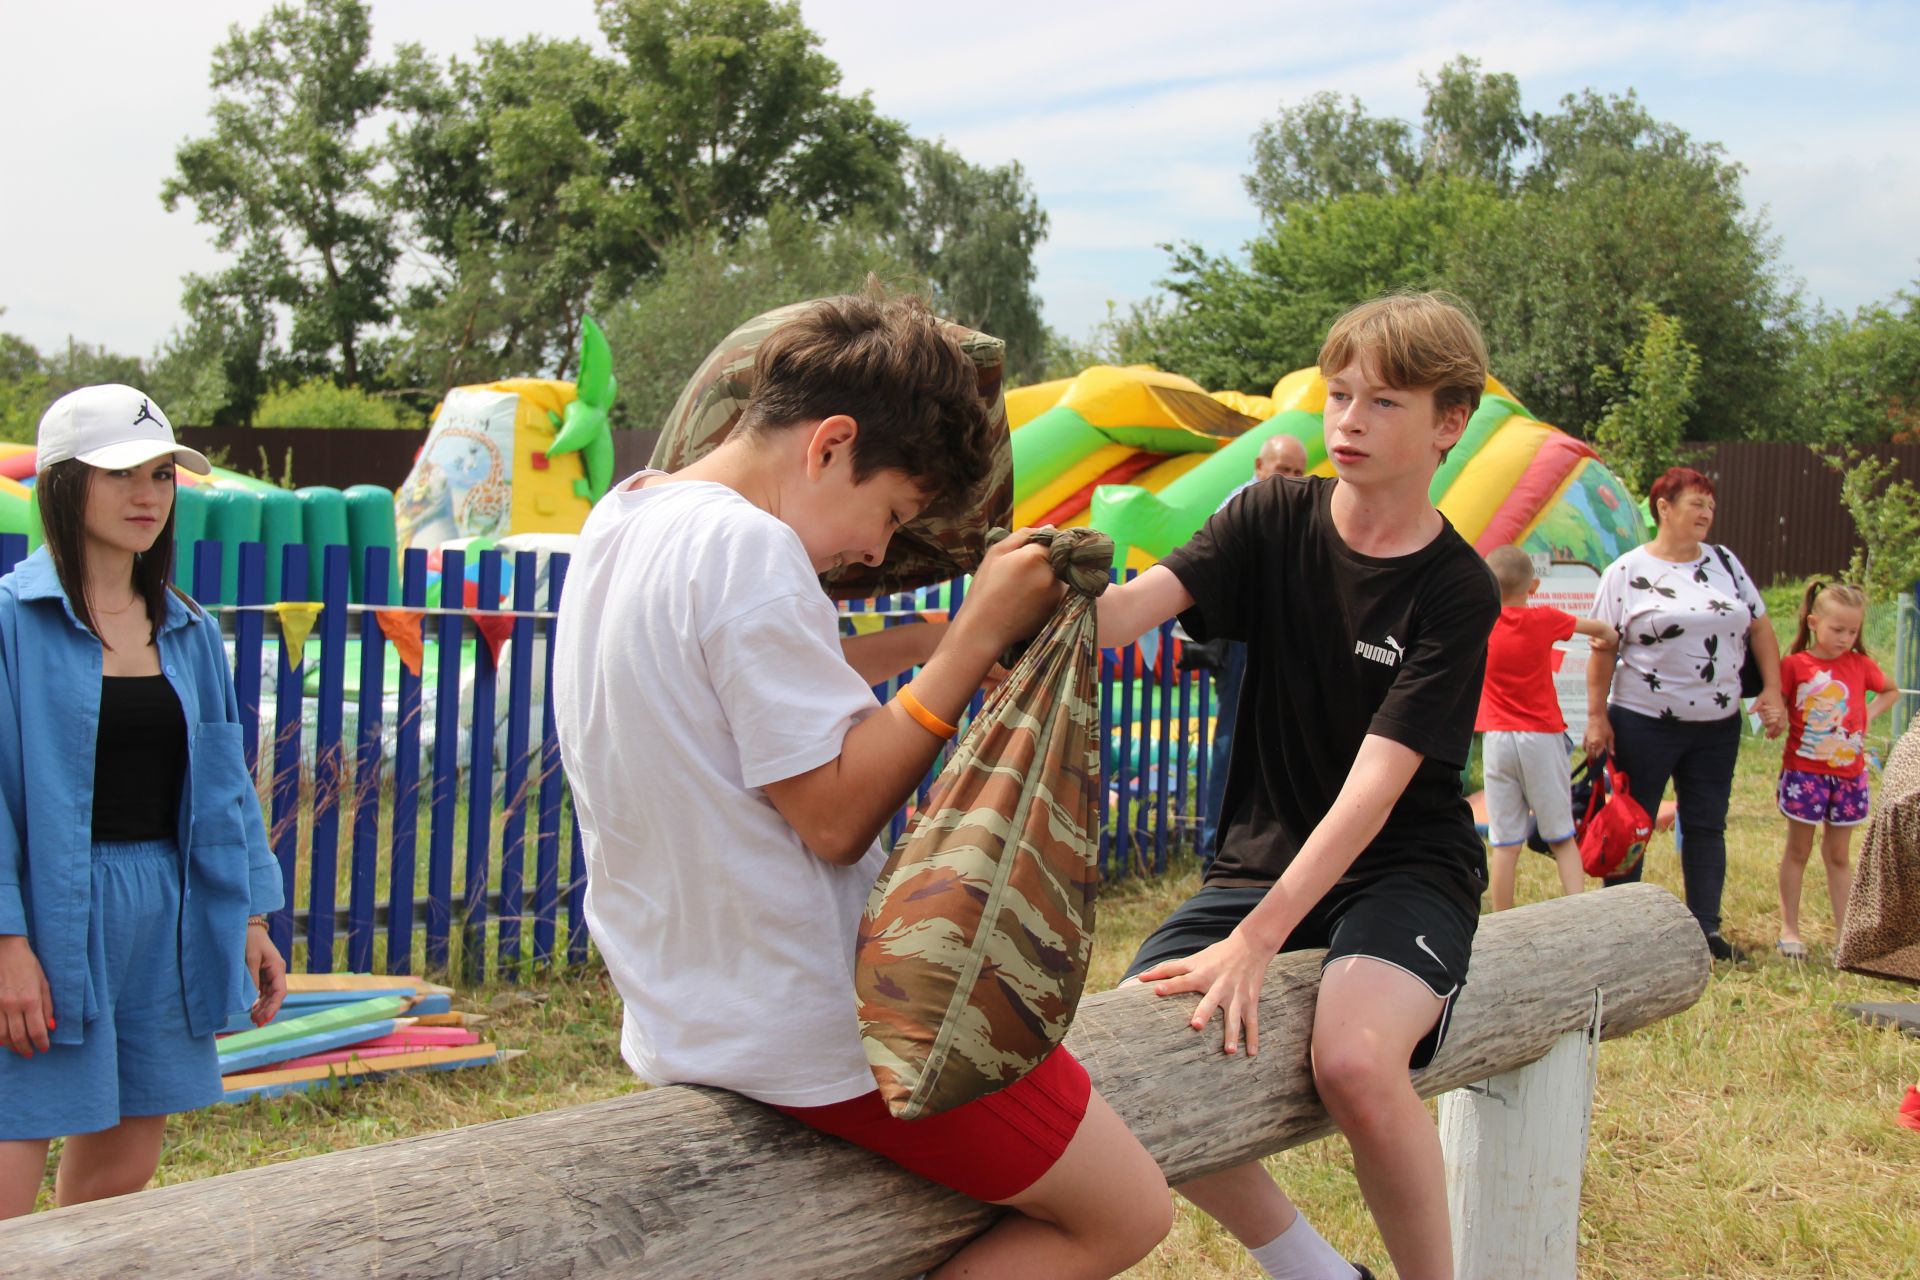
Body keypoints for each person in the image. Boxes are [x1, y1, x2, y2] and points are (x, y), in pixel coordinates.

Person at [551, 289, 1170, 1279]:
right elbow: (835, 817)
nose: (877, 552)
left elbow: (743, 690)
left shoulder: (628, 517)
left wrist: (931, 640)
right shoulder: (751, 551)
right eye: (892, 512)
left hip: (680, 1014)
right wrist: (967, 639)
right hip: (821, 1032)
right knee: (1128, 1210)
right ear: (831, 442)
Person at [1097, 291, 1501, 1280]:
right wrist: (1022, 580)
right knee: (1125, 1066)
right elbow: (1121, 616)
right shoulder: (1273, 513)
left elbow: (1376, 784)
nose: (1349, 421)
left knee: (1356, 1062)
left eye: (1384, 402)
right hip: (1260, 861)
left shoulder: (1454, 586)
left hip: (1405, 866)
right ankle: (1316, 1268)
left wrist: (1258, 937)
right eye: (1339, 396)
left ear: (1451, 421)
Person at [0, 384, 287, 1219]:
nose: (147, 496)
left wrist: (253, 919)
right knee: (11, 1180)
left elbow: (225, 788)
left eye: (162, 475)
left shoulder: (190, 630)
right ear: (61, 481)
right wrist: (6, 940)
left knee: (116, 1185)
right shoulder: (10, 624)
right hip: (48, 915)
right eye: (122, 473)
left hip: (164, 912)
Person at [1583, 467, 1785, 962]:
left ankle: (1705, 932)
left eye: (1710, 506)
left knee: (1706, 823)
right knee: (1633, 822)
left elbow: (1759, 626)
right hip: (1643, 721)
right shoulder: (1626, 572)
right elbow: (1603, 646)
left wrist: (1774, 691)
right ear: (1664, 508)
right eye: (1696, 503)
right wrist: (1595, 716)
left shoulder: (1725, 562)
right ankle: (1622, 933)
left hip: (1717, 724)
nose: (1706, 513)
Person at [1476, 544, 1619, 910]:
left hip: (1497, 738)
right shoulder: (1544, 619)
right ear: (1534, 587)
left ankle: (1503, 919)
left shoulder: (1481, 623)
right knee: (1561, 835)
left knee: (1505, 841)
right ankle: (1578, 911)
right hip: (1540, 735)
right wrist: (1609, 639)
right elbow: (1601, 629)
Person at [1199, 433, 1311, 855]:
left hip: (1285, 638)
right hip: (1243, 640)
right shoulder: (1240, 507)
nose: (1291, 479)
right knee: (1232, 741)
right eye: (1283, 470)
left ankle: (1269, 849)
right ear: (1259, 466)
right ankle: (1216, 852)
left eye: (1299, 472)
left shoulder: (1299, 508)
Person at [1774, 580, 1894, 959]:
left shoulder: (1861, 665)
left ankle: (1846, 935)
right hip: (1804, 775)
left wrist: (1869, 714)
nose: (1845, 638)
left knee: (1839, 856)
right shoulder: (1795, 665)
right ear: (1813, 622)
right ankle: (1789, 929)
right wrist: (1774, 718)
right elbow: (1775, 704)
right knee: (1798, 850)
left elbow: (1889, 690)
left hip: (1849, 777)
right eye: (1837, 629)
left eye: (1853, 631)